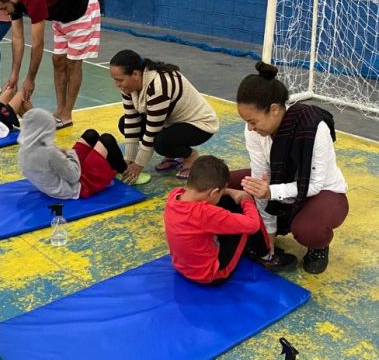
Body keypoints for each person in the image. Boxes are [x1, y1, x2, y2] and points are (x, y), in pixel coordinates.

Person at [234, 61, 348, 274]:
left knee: (308, 229)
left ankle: (318, 246)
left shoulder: (314, 128)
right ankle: (264, 231)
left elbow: (313, 185)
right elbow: (259, 180)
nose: (250, 128)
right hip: (277, 184)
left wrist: (270, 192)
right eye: (247, 122)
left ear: (274, 110)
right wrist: (268, 234)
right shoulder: (253, 131)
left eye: (253, 121)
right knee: (223, 182)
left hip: (322, 191)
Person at [0, 0, 101, 127]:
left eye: (4, 8)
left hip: (82, 11)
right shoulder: (14, 0)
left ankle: (67, 114)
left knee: (73, 62)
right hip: (62, 16)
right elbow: (17, 39)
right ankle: (60, 110)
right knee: (58, 60)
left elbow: (38, 44)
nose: (5, 13)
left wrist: (30, 79)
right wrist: (14, 74)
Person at [164, 155, 282, 285]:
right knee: (245, 212)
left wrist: (230, 192)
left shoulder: (175, 194)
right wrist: (246, 199)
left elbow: (212, 199)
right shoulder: (205, 213)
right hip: (211, 275)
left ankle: (255, 249)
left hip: (182, 267)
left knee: (227, 201)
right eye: (220, 192)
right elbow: (253, 224)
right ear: (214, 192)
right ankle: (266, 256)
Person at [109, 49, 219, 183]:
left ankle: (190, 156)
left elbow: (152, 132)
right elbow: (132, 121)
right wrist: (128, 160)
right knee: (124, 123)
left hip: (199, 125)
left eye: (119, 80)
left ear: (136, 74)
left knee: (160, 142)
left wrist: (138, 165)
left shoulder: (159, 87)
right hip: (171, 122)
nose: (116, 84)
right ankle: (173, 155)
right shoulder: (129, 86)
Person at [18, 108, 129, 200]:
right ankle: (126, 172)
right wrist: (69, 153)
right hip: (77, 186)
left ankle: (109, 166)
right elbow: (73, 176)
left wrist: (61, 155)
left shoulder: (24, 149)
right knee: (107, 139)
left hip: (55, 184)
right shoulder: (48, 152)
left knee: (91, 135)